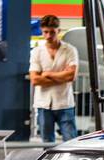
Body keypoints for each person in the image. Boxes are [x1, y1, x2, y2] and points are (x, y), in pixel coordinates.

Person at [30, 15, 78, 143]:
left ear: (59, 31)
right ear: (42, 31)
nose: (48, 35)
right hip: (43, 104)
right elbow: (35, 80)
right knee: (47, 144)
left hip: (65, 103)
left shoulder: (70, 50)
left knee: (71, 142)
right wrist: (61, 75)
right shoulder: (36, 52)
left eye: (52, 32)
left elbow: (71, 76)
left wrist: (47, 74)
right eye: (46, 32)